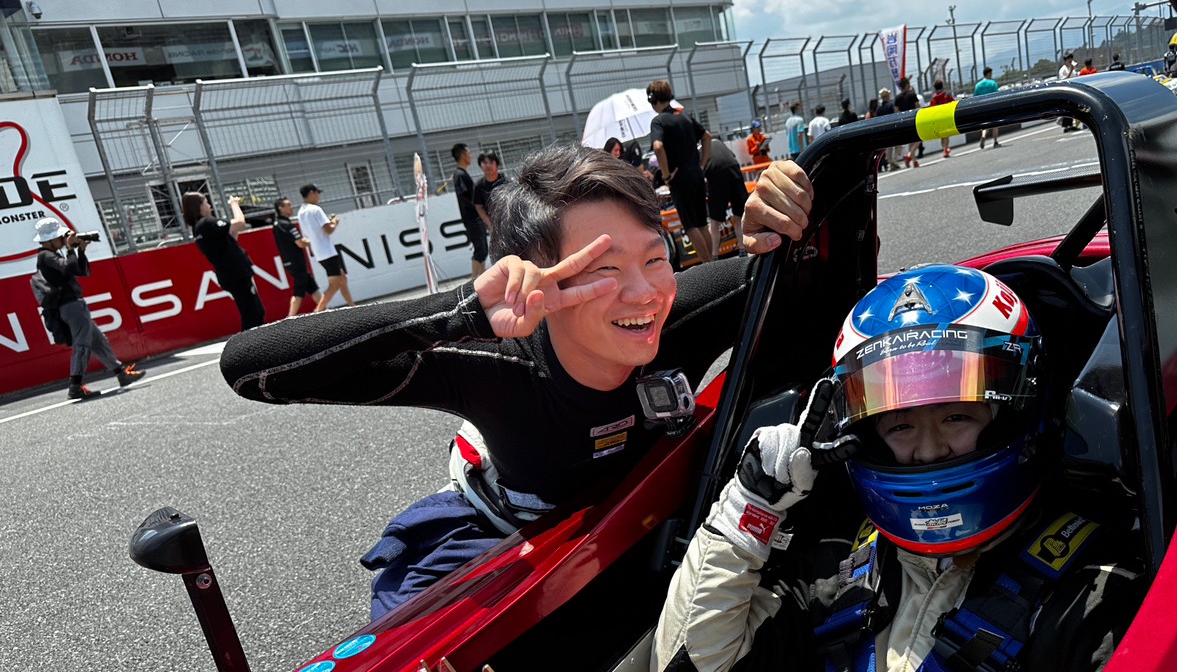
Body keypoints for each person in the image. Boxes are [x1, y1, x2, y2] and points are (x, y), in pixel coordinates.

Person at [651, 262, 1142, 672]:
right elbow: (691, 669)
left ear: (1014, 411)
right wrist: (752, 504)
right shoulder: (845, 571)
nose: (929, 451)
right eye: (901, 425)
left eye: (956, 417)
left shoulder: (1088, 603)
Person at [221, 145, 756, 614]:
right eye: (604, 269)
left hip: (648, 512)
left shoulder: (685, 311)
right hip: (511, 528)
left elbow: (796, 268)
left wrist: (786, 210)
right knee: (408, 646)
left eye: (655, 258)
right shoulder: (494, 363)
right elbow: (249, 368)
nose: (644, 294)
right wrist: (456, 313)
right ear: (534, 278)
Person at [33, 217, 145, 400]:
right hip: (70, 306)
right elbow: (67, 268)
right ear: (48, 240)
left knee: (98, 340)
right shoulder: (46, 256)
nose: (62, 239)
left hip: (73, 305)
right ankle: (75, 386)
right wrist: (70, 249)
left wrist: (81, 251)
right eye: (59, 237)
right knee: (82, 344)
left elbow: (80, 271)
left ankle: (121, 373)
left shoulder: (52, 255)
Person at [647, 78, 714, 265]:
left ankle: (707, 265)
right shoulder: (684, 115)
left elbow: (658, 146)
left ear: (653, 99)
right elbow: (707, 137)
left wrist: (666, 175)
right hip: (697, 175)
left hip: (679, 179)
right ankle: (714, 263)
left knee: (691, 225)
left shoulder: (658, 121)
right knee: (702, 223)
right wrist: (702, 164)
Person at [184, 191, 265, 331]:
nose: (209, 206)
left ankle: (255, 342)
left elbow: (230, 237)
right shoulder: (207, 223)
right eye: (206, 203)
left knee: (255, 312)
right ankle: (248, 344)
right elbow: (240, 223)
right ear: (199, 207)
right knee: (252, 315)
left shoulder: (198, 228)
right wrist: (234, 205)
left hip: (230, 274)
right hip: (235, 274)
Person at [298, 184, 356, 310]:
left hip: (318, 252)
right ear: (312, 193)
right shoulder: (316, 209)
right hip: (327, 251)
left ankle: (352, 305)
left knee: (342, 278)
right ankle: (318, 310)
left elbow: (308, 234)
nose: (318, 196)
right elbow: (328, 230)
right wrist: (334, 223)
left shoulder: (301, 212)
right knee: (335, 284)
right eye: (317, 193)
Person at [271, 196, 318, 316]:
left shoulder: (276, 224)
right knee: (299, 291)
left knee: (312, 287)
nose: (291, 207)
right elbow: (300, 243)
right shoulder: (287, 225)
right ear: (280, 208)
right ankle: (290, 318)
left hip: (289, 262)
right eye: (288, 205)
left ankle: (324, 309)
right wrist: (313, 240)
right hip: (296, 262)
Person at [703, 137, 749, 259]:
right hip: (734, 172)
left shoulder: (701, 148)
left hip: (716, 176)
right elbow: (733, 157)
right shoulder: (720, 144)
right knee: (739, 216)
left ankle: (714, 255)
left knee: (714, 221)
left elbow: (700, 170)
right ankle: (743, 249)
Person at [451, 143, 487, 279]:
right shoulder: (460, 175)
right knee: (480, 249)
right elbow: (464, 197)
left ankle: (482, 278)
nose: (470, 156)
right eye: (468, 153)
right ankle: (473, 281)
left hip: (476, 217)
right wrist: (477, 206)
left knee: (483, 249)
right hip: (472, 218)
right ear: (462, 155)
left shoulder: (462, 174)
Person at [473, 152, 507, 256]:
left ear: (497, 164)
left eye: (491, 162)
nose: (488, 165)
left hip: (508, 220)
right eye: (484, 163)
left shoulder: (505, 181)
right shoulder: (479, 185)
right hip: (492, 225)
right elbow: (478, 206)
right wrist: (489, 223)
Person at [895, 78, 923, 167]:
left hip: (904, 121)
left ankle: (914, 161)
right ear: (907, 84)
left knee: (911, 141)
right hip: (914, 119)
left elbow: (896, 111)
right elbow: (918, 107)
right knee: (920, 138)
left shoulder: (897, 98)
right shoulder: (912, 95)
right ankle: (909, 155)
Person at [972, 67, 1001, 149]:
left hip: (982, 107)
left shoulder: (978, 85)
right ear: (988, 73)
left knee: (985, 124)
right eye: (991, 73)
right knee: (995, 124)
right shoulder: (992, 83)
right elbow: (996, 95)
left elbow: (975, 97)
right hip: (992, 105)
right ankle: (995, 142)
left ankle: (983, 136)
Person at [875, 88, 900, 171]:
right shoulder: (891, 105)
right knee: (899, 145)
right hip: (893, 128)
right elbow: (896, 114)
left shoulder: (879, 108)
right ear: (887, 96)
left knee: (888, 148)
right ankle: (894, 160)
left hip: (884, 130)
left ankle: (891, 162)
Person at [928, 80, 954, 157]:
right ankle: (945, 150)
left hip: (937, 118)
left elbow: (931, 108)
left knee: (943, 136)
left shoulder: (934, 97)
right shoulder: (946, 94)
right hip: (946, 116)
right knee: (946, 134)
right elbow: (953, 102)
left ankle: (945, 149)